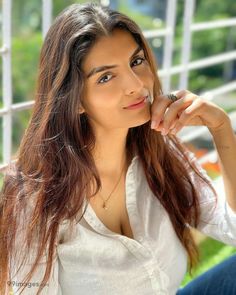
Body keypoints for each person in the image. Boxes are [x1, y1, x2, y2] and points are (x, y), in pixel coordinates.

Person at [0, 2, 236, 295]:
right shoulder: (33, 199)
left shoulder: (161, 152)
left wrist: (220, 127)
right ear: (75, 100)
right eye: (106, 77)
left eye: (136, 61)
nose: (136, 85)